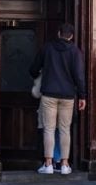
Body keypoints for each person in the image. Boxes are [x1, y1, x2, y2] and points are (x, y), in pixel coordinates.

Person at [29, 23, 86, 175]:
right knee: (65, 129)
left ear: (59, 33)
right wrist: (82, 96)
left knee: (48, 129)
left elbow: (33, 68)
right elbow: (79, 76)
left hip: (49, 94)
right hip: (68, 96)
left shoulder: (47, 48)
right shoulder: (75, 51)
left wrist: (37, 75)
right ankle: (65, 164)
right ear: (72, 36)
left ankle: (48, 164)